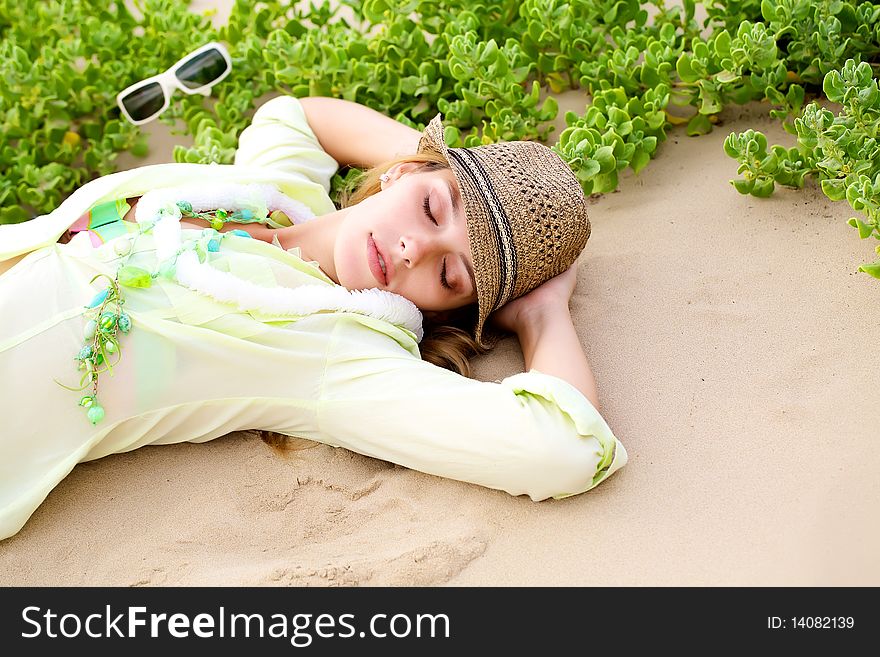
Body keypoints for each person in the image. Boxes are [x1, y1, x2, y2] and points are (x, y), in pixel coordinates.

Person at [0, 95, 627, 541]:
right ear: (405, 174)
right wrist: (422, 157)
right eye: (433, 209)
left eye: (450, 274)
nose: (413, 249)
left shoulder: (339, 349)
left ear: (451, 309)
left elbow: (562, 448)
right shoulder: (275, 194)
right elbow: (294, 116)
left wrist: (542, 315)